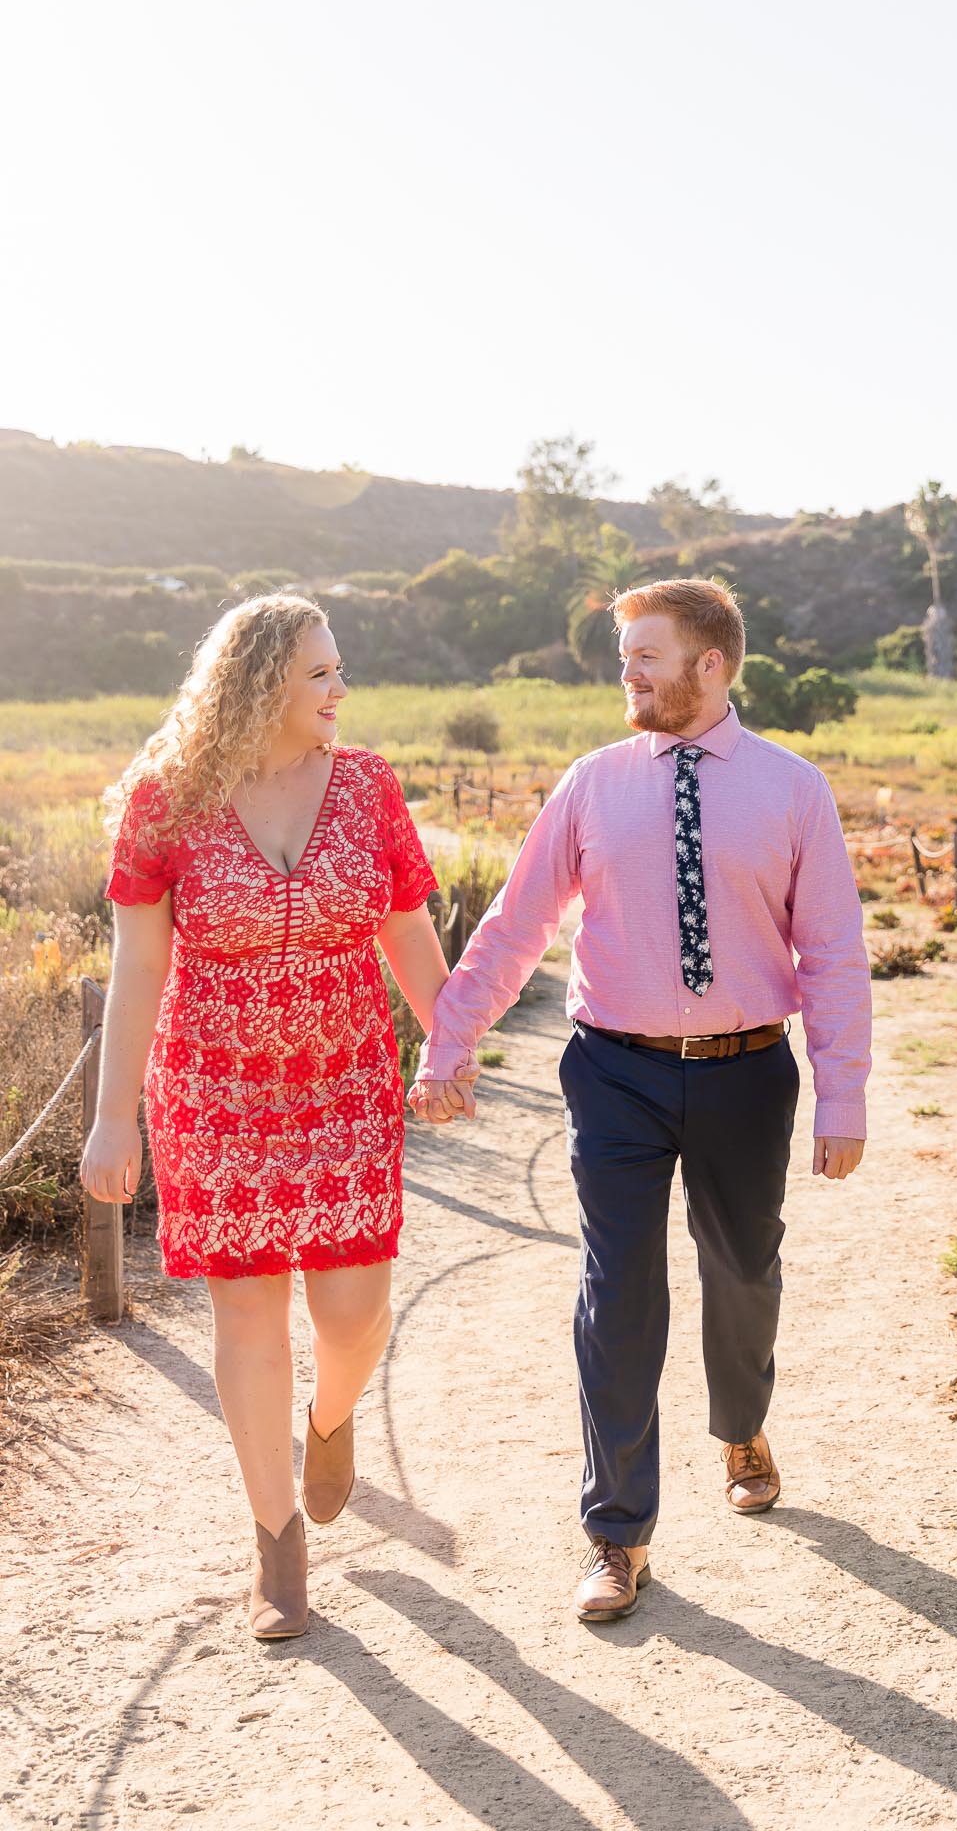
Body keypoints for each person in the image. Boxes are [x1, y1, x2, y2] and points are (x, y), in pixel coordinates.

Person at [410, 578, 871, 1621]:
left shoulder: (795, 790)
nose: (626, 672)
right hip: (613, 1068)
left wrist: (842, 1096)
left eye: (644, 654)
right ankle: (616, 1530)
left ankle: (741, 1421)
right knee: (616, 1291)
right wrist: (450, 1041)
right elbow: (516, 925)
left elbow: (835, 953)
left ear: (711, 665)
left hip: (749, 1068)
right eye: (623, 654)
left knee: (742, 1266)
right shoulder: (591, 783)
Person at [81, 593, 449, 1640]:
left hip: (345, 1083)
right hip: (214, 1091)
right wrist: (116, 1120)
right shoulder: (165, 799)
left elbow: (409, 933)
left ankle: (329, 1418)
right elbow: (138, 965)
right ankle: (275, 1541)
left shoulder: (369, 786)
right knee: (247, 1314)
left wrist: (452, 1042)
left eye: (338, 670)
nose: (341, 689)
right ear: (260, 688)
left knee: (351, 1311)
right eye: (321, 675)